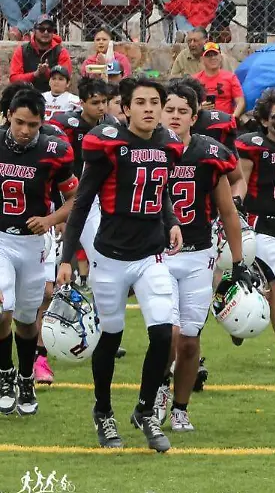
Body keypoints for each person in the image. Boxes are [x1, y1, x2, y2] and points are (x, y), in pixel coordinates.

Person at [57, 77, 190, 451]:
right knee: (110, 335)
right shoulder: (109, 146)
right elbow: (82, 203)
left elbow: (158, 189)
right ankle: (103, 410)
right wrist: (67, 258)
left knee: (164, 333)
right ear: (126, 108)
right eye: (141, 102)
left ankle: (146, 411)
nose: (149, 108)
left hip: (151, 256)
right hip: (110, 258)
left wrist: (172, 221)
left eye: (155, 102)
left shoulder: (167, 145)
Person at [153, 81, 241, 432]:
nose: (175, 117)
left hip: (198, 253)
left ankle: (180, 407)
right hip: (158, 254)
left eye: (182, 111)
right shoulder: (150, 148)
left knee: (190, 342)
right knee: (171, 332)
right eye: (169, 109)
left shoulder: (208, 152)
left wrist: (237, 261)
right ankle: (158, 388)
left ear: (194, 116)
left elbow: (228, 210)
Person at [0, 88, 76, 417]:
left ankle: (27, 377)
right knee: (2, 311)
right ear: (7, 118)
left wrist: (49, 219)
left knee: (27, 321)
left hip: (32, 244)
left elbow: (75, 199)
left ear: (42, 122)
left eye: (32, 124)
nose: (25, 130)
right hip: (0, 239)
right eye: (19, 122)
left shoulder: (54, 150)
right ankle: (5, 375)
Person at [232, 92, 275, 372]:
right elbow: (242, 183)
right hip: (261, 226)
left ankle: (238, 314)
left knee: (272, 290)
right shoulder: (253, 147)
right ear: (263, 121)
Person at [8, 16, 71, 93]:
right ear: (34, 30)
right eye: (41, 29)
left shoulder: (61, 52)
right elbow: (14, 79)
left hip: (53, 97)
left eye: (50, 30)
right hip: (26, 96)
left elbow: (66, 81)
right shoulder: (22, 50)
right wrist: (35, 74)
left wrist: (47, 72)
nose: (46, 32)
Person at [192, 43, 245, 118]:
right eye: (208, 55)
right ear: (202, 59)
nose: (213, 58)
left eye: (215, 54)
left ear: (220, 56)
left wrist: (233, 118)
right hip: (201, 120)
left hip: (225, 121)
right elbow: (187, 104)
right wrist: (200, 108)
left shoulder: (230, 77)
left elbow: (240, 102)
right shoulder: (195, 80)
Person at [167, 29, 233, 78]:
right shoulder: (183, 56)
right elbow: (173, 78)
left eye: (195, 41)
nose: (192, 44)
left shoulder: (219, 57)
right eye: (189, 41)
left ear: (206, 41)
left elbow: (229, 79)